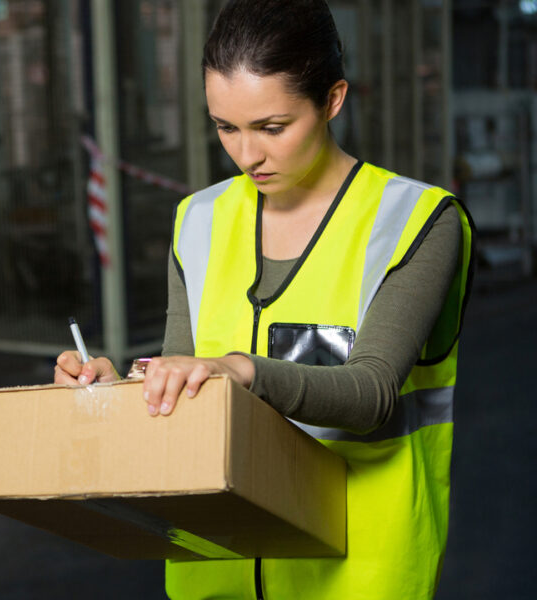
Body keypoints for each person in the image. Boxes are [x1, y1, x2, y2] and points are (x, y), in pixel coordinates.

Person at [54, 1, 474, 598]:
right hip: (216, 569)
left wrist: (242, 371)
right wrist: (116, 391)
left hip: (355, 576)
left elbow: (371, 393)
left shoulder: (415, 222)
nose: (247, 155)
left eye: (272, 128)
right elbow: (181, 386)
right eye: (226, 127)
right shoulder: (196, 221)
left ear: (332, 99)